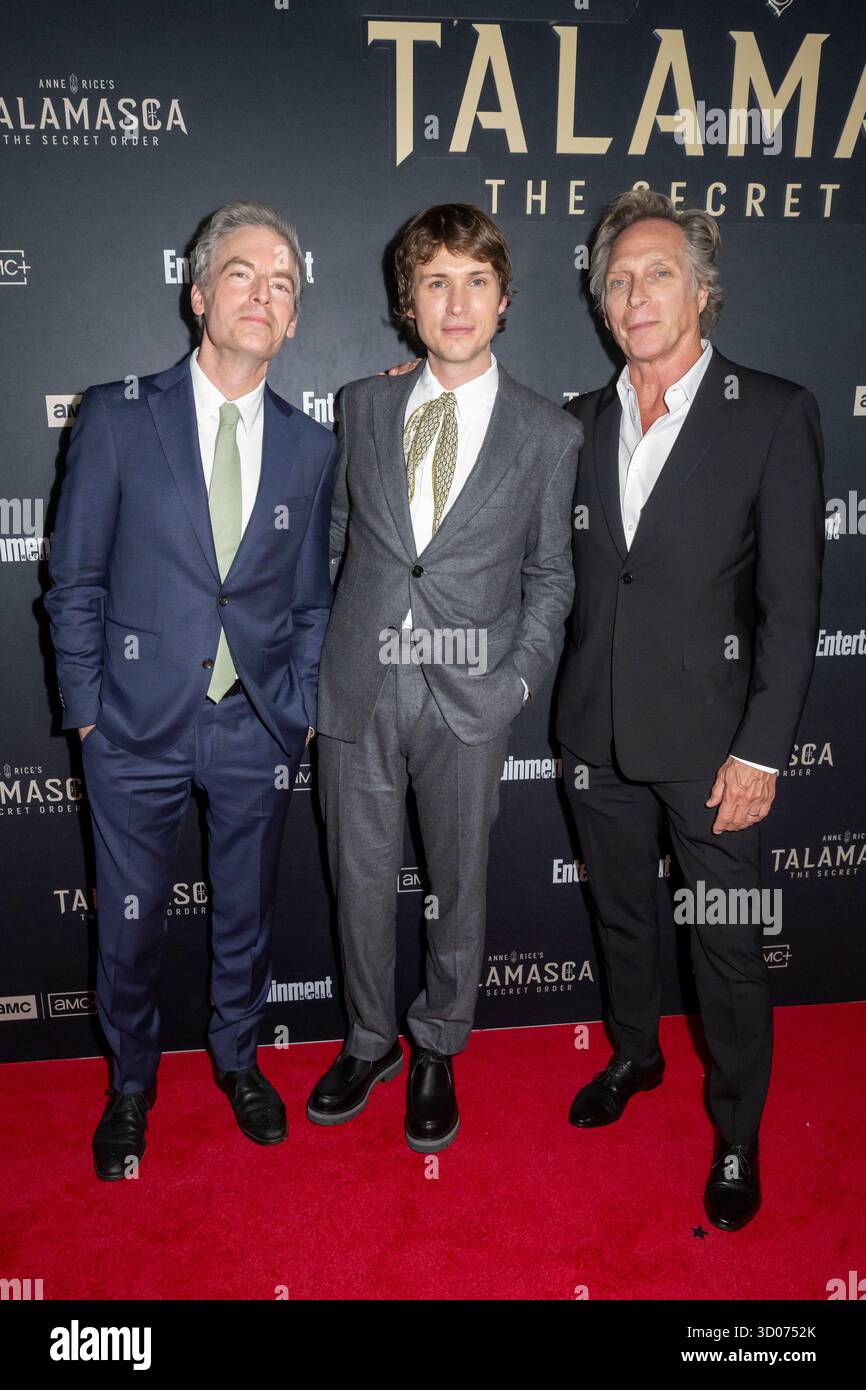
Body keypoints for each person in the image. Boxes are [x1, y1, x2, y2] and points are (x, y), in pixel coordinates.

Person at [45, 201, 337, 1179]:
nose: (264, 294)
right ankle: (130, 1084)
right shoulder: (118, 416)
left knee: (246, 919)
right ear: (200, 291)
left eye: (283, 283)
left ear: (293, 321)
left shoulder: (309, 447)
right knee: (128, 925)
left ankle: (239, 1059)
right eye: (244, 274)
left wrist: (290, 712)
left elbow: (308, 601)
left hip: (252, 728)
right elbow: (74, 582)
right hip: (131, 730)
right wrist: (85, 715)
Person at [556, 189, 824, 1230]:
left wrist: (760, 752)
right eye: (617, 279)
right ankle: (631, 1053)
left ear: (702, 291)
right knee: (621, 920)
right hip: (593, 737)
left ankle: (736, 1132)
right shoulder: (575, 423)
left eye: (657, 272)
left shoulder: (769, 411)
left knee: (724, 945)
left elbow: (792, 603)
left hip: (713, 750)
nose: (634, 293)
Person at [308, 203, 583, 1152]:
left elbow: (552, 578)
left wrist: (514, 686)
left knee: (458, 886)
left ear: (503, 301)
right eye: (436, 282)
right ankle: (370, 1037)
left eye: (475, 282)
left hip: (471, 693)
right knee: (357, 876)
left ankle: (437, 1044)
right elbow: (339, 548)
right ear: (408, 303)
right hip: (357, 686)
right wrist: (321, 673)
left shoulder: (550, 434)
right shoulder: (362, 404)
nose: (455, 302)